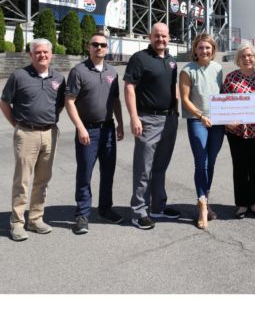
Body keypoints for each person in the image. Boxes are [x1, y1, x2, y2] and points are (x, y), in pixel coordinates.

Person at [0, 39, 65, 242]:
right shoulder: (19, 76)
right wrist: (17, 125)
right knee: (23, 180)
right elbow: (4, 102)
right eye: (37, 52)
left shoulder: (59, 78)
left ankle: (35, 219)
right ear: (31, 55)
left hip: (50, 133)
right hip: (26, 133)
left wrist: (49, 122)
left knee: (43, 179)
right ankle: (17, 223)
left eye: (45, 52)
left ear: (51, 54)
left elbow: (61, 104)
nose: (42, 55)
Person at [65, 33, 125, 235]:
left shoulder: (112, 71)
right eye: (95, 44)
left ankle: (105, 209)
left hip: (108, 128)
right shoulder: (78, 71)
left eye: (103, 45)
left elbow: (115, 100)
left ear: (107, 48)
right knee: (85, 173)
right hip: (87, 130)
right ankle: (82, 214)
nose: (99, 48)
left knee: (108, 172)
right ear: (88, 47)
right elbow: (69, 101)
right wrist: (81, 127)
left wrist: (120, 124)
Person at [124, 22, 180, 230]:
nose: (161, 40)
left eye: (164, 36)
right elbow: (129, 87)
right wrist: (134, 117)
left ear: (169, 37)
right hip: (148, 119)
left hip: (169, 120)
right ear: (150, 36)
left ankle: (158, 206)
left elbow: (173, 87)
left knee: (160, 166)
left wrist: (175, 111)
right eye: (157, 36)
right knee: (143, 168)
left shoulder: (171, 60)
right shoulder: (139, 59)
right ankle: (139, 211)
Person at [179, 34, 224, 229]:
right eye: (201, 48)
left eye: (208, 48)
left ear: (213, 50)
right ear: (195, 49)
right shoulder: (188, 70)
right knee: (201, 162)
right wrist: (200, 115)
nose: (204, 51)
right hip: (198, 121)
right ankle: (202, 205)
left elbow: (223, 94)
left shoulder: (218, 69)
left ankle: (205, 198)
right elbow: (185, 99)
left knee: (211, 161)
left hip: (218, 121)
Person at [222, 41, 255, 219]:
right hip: (237, 132)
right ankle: (242, 204)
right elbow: (222, 102)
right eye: (243, 56)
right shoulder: (231, 78)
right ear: (238, 59)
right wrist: (226, 121)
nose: (247, 59)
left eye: (250, 55)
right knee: (240, 168)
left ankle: (254, 203)